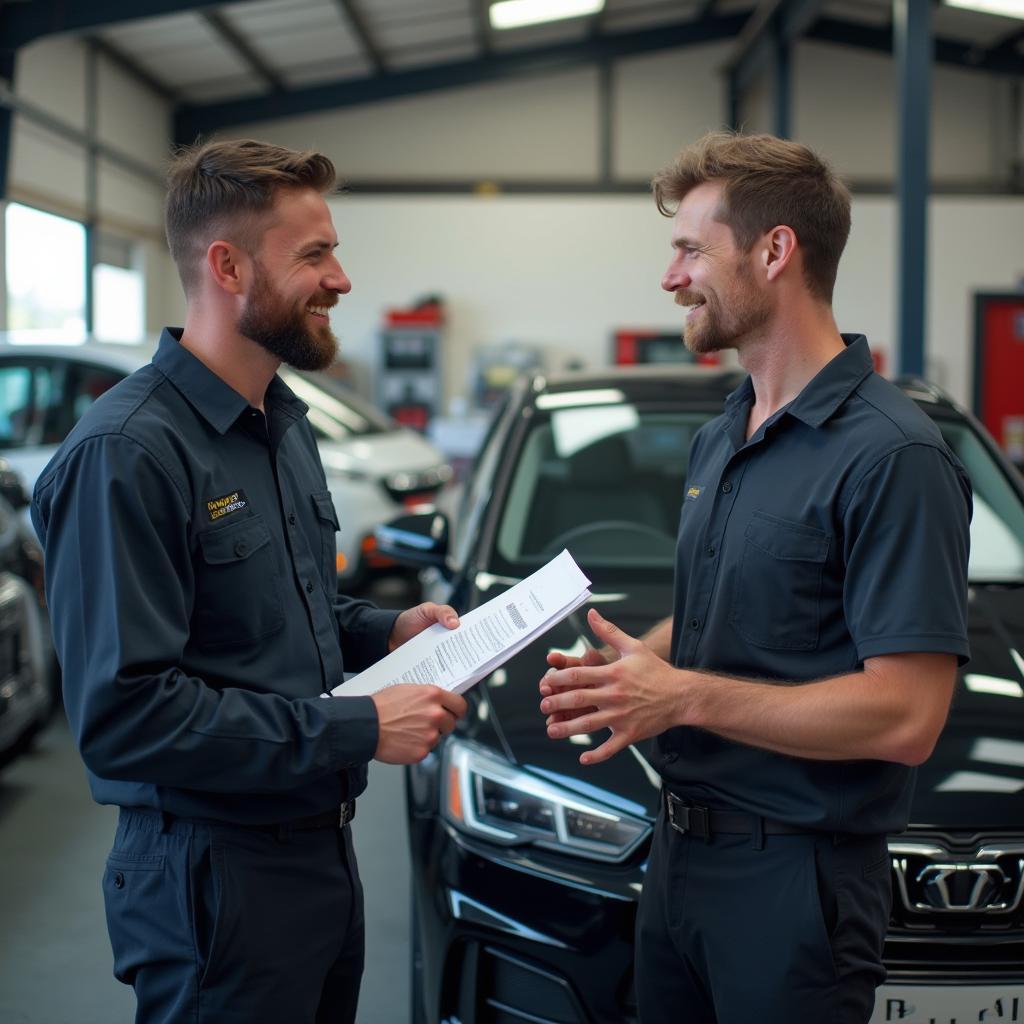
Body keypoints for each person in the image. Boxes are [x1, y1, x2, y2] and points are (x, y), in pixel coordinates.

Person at [539, 131, 972, 1024]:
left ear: (776, 252)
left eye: (692, 249)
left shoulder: (891, 456)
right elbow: (723, 620)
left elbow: (907, 716)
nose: (670, 278)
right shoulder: (723, 434)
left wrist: (683, 698)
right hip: (680, 862)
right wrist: (628, 678)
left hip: (794, 885)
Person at [32, 138, 467, 1024]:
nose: (341, 279)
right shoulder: (128, 455)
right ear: (226, 266)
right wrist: (355, 727)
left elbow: (276, 610)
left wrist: (380, 634)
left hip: (315, 857)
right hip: (211, 878)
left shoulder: (281, 424)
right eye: (314, 255)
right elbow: (127, 718)